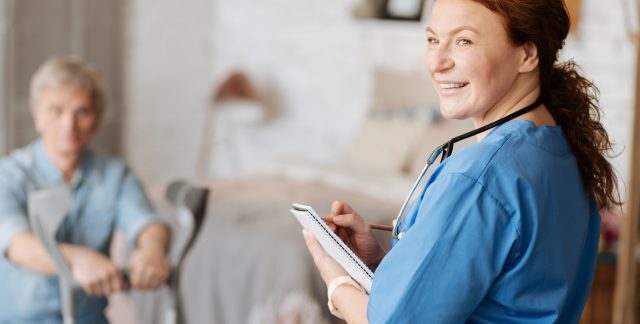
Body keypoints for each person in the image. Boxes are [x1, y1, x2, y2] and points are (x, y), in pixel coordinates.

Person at [303, 0, 621, 322]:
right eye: (432, 40)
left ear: (527, 54)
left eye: (463, 41)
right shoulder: (561, 153)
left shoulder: (479, 179)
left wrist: (337, 281)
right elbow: (504, 298)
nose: (437, 63)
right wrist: (380, 263)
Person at [0, 57, 171, 323]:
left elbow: (148, 223)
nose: (69, 125)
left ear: (98, 118)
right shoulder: (8, 174)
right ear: (37, 115)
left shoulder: (114, 175)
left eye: (82, 111)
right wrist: (77, 259)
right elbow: (17, 245)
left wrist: (151, 251)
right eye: (56, 111)